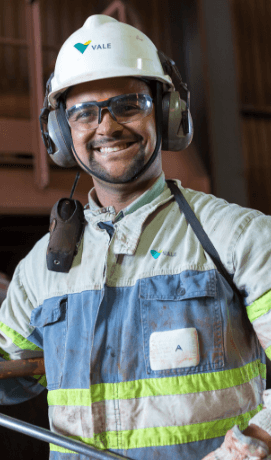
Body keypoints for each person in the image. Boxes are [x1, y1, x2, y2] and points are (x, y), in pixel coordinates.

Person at [0, 14, 271, 460]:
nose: (106, 127)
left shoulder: (237, 238)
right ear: (62, 133)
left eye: (128, 105)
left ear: (167, 112)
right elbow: (13, 370)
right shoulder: (39, 269)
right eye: (85, 113)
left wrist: (254, 444)